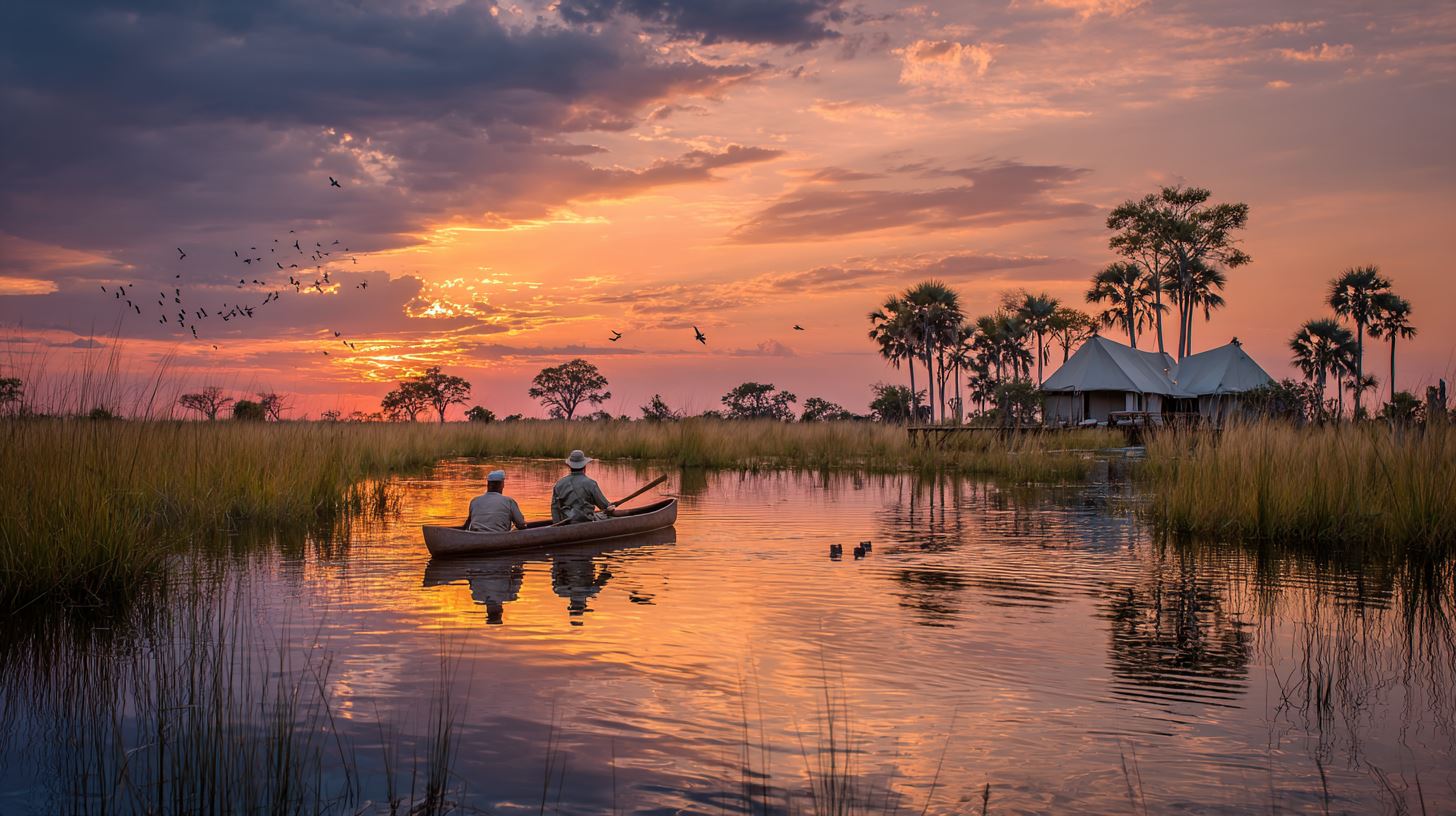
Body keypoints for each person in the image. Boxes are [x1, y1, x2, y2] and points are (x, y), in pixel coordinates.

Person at [551, 450, 615, 524]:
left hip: (566, 522)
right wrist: (610, 507)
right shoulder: (591, 483)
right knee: (606, 516)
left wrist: (557, 525)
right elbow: (604, 506)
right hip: (586, 520)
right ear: (584, 466)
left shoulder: (559, 484)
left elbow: (555, 509)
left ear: (569, 466)